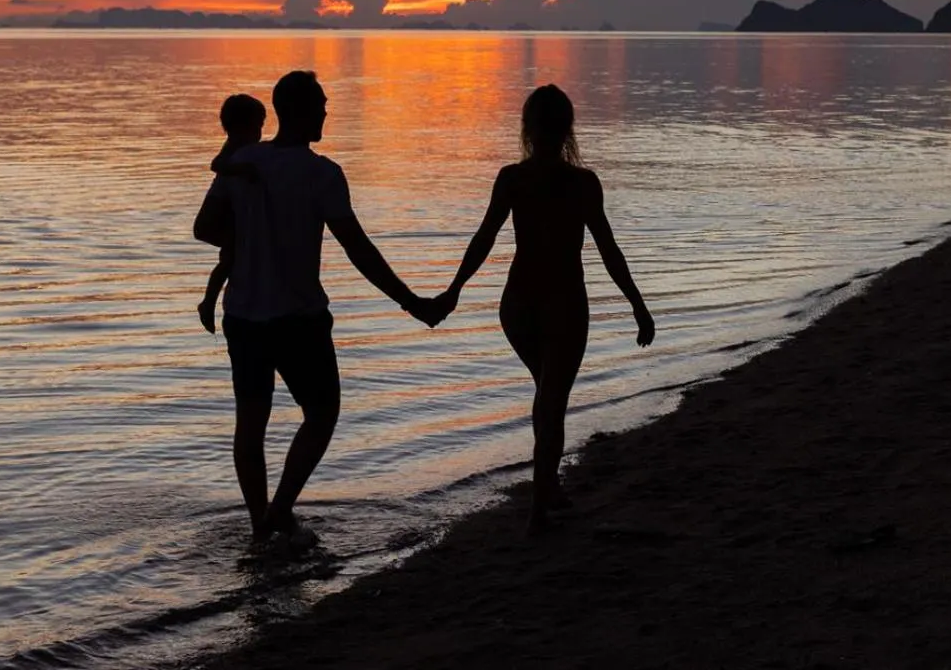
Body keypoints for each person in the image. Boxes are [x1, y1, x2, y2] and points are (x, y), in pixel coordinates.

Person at [194, 70, 436, 543]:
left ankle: (258, 523)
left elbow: (204, 228)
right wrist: (411, 302)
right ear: (300, 111)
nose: (327, 111)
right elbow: (358, 248)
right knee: (323, 412)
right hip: (298, 318)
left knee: (251, 421)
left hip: (243, 316)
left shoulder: (242, 162)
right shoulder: (320, 174)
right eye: (322, 104)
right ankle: (278, 511)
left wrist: (250, 239)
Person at [435, 84, 655, 534]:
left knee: (548, 397)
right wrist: (637, 305)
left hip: (517, 305)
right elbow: (608, 250)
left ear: (528, 129)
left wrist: (455, 289)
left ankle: (548, 487)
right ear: (567, 129)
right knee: (551, 400)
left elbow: (484, 239)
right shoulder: (581, 183)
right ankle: (538, 509)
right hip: (562, 304)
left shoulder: (513, 179)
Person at [196, 94, 267, 335]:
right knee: (228, 259)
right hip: (228, 216)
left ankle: (207, 303)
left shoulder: (244, 148)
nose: (259, 132)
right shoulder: (234, 147)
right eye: (257, 125)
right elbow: (216, 164)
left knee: (228, 260)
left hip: (233, 214)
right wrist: (242, 169)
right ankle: (207, 303)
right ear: (241, 127)